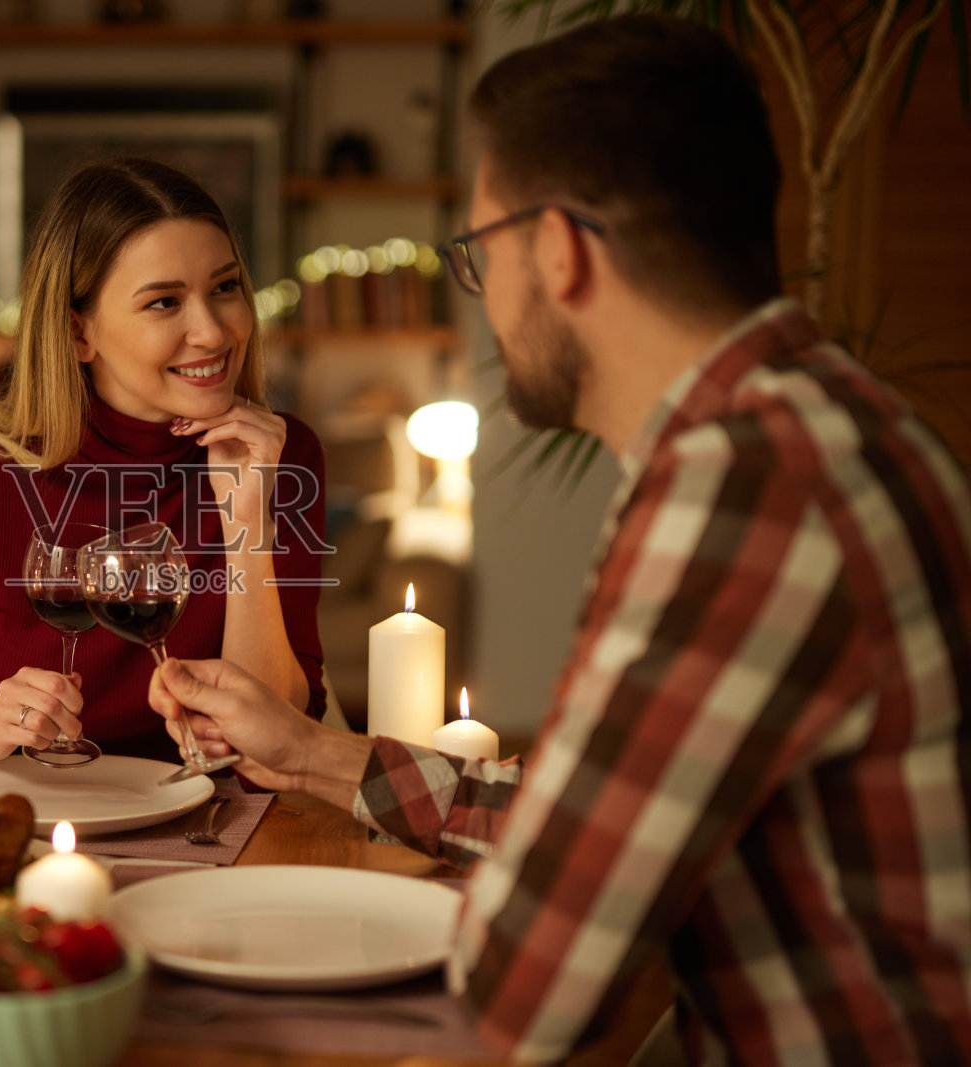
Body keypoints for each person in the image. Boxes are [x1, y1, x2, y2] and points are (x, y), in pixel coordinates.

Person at [148, 16, 971, 1064]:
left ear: (560, 250)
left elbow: (528, 985)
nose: (483, 303)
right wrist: (311, 751)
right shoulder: (812, 420)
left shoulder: (745, 492)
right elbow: (579, 818)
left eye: (477, 255)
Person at [0, 158, 328, 767]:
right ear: (77, 334)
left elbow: (283, 735)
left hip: (222, 828)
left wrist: (247, 513)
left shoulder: (283, 454)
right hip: (37, 831)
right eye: (164, 303)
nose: (212, 331)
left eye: (225, 288)